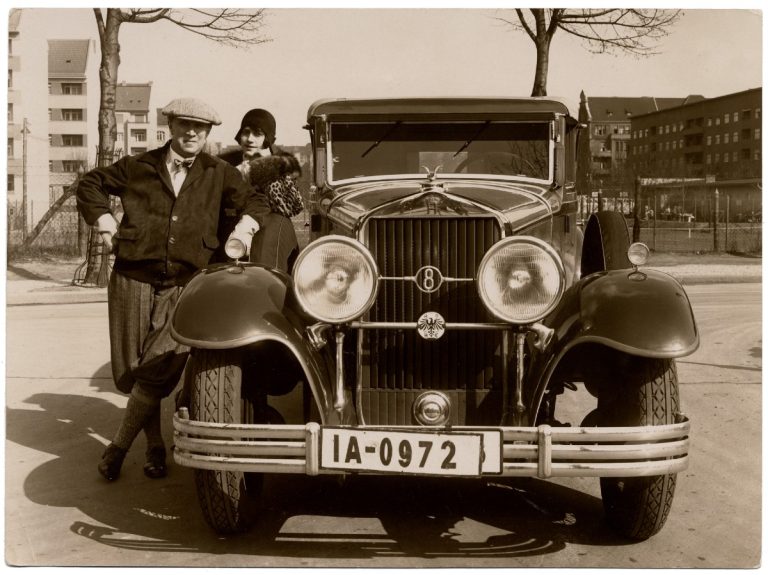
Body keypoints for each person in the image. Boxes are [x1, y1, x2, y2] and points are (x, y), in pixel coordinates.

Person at [76, 97, 270, 481]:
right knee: (134, 370)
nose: (192, 132)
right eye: (185, 124)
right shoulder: (138, 166)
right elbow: (90, 183)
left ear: (209, 132)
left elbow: (256, 201)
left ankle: (117, 448)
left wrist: (244, 229)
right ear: (170, 126)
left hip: (186, 284)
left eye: (201, 127)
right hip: (132, 275)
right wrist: (104, 223)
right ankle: (155, 447)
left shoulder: (219, 172)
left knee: (158, 367)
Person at [218, 108, 303, 272]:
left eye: (257, 134)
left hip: (271, 232)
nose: (250, 139)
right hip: (232, 229)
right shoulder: (226, 163)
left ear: (267, 139)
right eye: (246, 132)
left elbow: (291, 207)